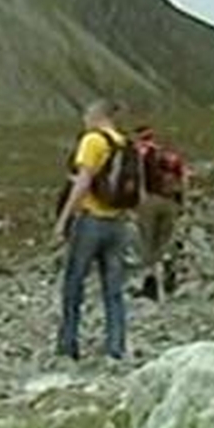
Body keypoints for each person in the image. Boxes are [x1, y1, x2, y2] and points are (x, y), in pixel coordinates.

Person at [53, 99, 131, 361]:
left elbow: (83, 181)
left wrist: (64, 218)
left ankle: (68, 345)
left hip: (91, 221)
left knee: (74, 284)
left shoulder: (92, 141)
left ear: (96, 115)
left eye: (86, 114)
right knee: (114, 290)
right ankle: (116, 347)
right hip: (118, 224)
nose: (84, 119)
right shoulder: (124, 143)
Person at [133, 126, 187, 301]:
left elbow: (136, 179)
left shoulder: (140, 154)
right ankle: (168, 271)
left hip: (149, 201)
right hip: (170, 201)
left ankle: (151, 284)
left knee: (148, 242)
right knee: (165, 238)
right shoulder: (170, 155)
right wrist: (181, 203)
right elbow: (183, 178)